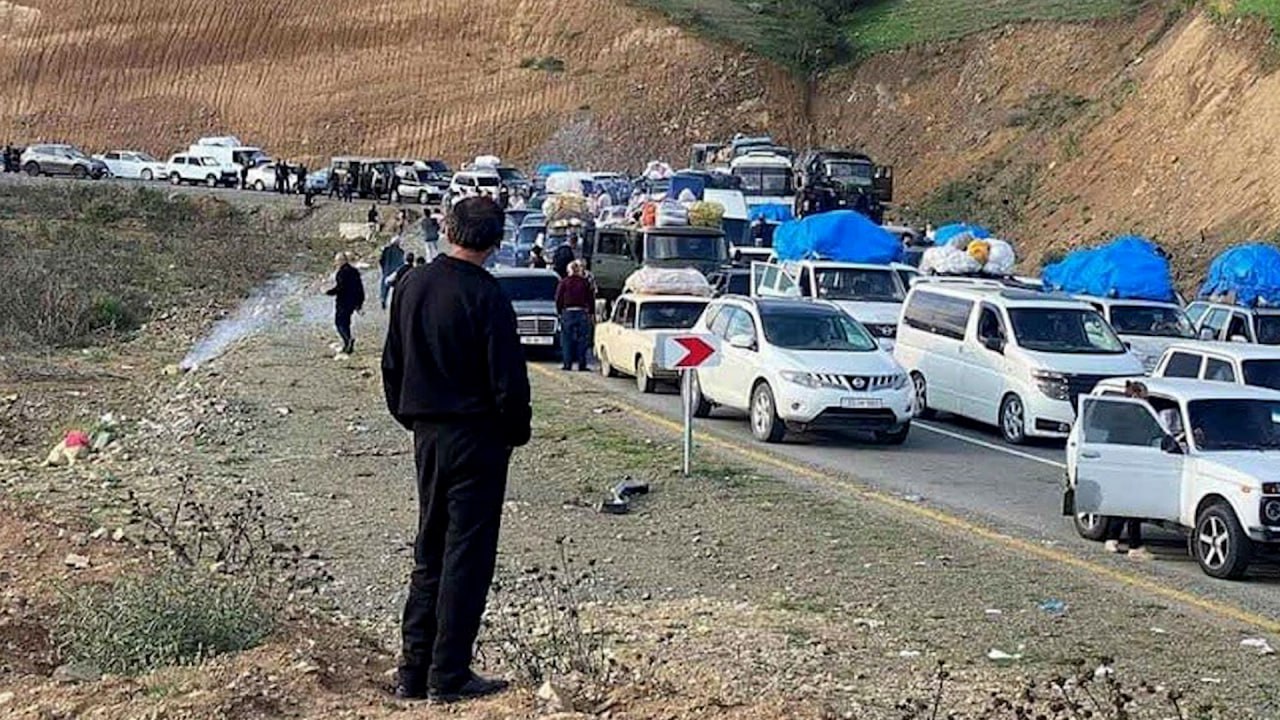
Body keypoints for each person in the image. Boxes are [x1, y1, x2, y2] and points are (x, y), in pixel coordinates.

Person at [381, 196, 530, 703]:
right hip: (478, 437)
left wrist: (413, 419)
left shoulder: (411, 284)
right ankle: (448, 675)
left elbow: (392, 364)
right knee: (467, 555)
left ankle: (412, 671)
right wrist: (513, 433)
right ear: (496, 242)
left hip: (428, 433)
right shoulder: (488, 296)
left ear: (447, 230)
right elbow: (509, 381)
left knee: (430, 549)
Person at [555, 260, 594, 372]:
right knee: (582, 340)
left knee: (566, 339)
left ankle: (567, 364)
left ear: (569, 271)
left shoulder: (564, 282)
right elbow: (590, 298)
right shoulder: (584, 282)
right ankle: (582, 364)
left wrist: (559, 311)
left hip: (568, 312)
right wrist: (591, 312)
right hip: (582, 312)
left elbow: (558, 298)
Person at [325, 252, 364, 355]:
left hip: (343, 302)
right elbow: (360, 288)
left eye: (337, 261)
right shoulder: (354, 271)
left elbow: (340, 288)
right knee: (346, 323)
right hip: (352, 302)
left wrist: (329, 292)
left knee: (339, 323)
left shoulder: (342, 273)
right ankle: (348, 345)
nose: (336, 263)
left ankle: (348, 340)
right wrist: (359, 303)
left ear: (342, 261)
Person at [378, 236, 406, 309]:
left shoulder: (386, 250)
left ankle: (383, 299)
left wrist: (383, 268)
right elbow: (401, 263)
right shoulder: (401, 252)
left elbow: (381, 260)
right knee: (397, 287)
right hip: (395, 272)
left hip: (387, 270)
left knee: (384, 286)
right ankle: (397, 301)